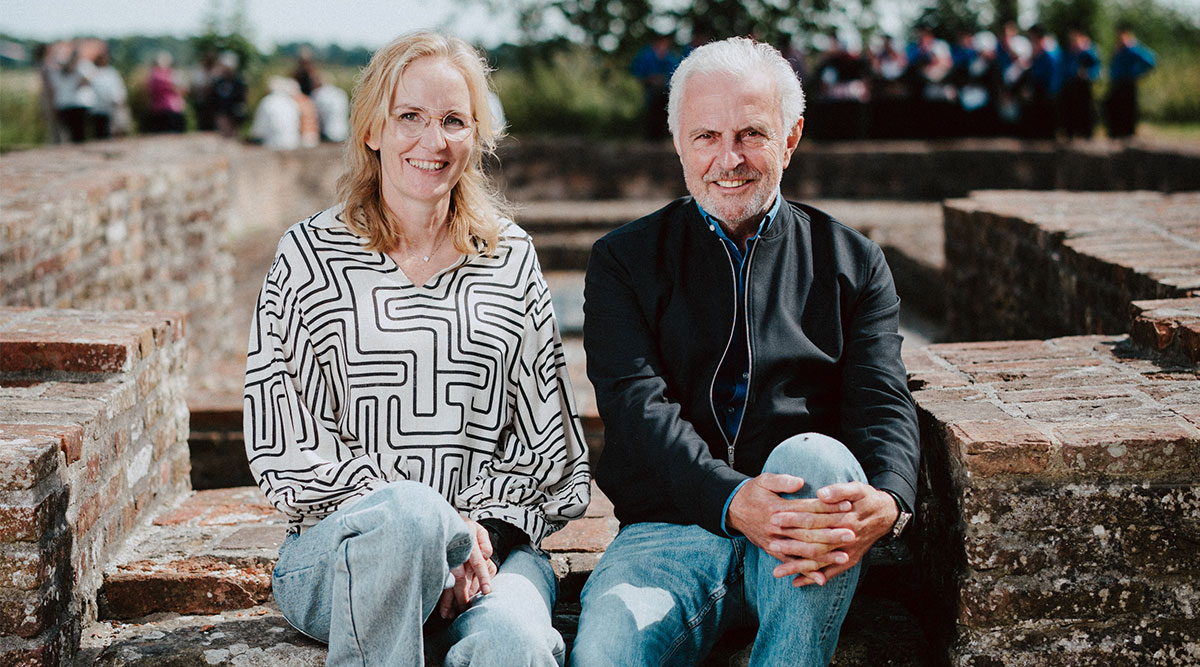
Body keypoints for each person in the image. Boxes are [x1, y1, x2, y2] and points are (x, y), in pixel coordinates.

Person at [243, 31, 590, 667]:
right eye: (411, 117)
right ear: (373, 128)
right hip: (343, 556)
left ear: (476, 136)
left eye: (454, 121)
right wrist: (435, 535)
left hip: (494, 556)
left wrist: (472, 540)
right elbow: (284, 447)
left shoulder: (510, 259)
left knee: (512, 642)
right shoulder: (307, 258)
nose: (433, 142)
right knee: (406, 518)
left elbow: (553, 450)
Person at [573, 37, 919, 666]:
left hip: (796, 535)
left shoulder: (853, 263)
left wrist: (892, 498)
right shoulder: (623, 260)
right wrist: (732, 500)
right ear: (678, 140)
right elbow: (635, 405)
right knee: (602, 652)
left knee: (815, 455)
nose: (728, 160)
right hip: (666, 534)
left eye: (751, 134)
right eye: (706, 136)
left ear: (790, 138)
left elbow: (882, 398)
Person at [1104, 23, 1156, 139]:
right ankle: (1116, 133)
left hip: (1127, 83)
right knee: (1113, 107)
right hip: (1117, 83)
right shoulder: (1119, 49)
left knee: (1127, 109)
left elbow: (1150, 60)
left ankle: (1128, 134)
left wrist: (1137, 73)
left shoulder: (1132, 48)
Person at [1058, 28, 1100, 139]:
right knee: (1070, 110)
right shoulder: (1068, 53)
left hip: (1083, 85)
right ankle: (1070, 133)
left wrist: (1088, 74)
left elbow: (1096, 68)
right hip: (1070, 85)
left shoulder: (1088, 52)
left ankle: (1086, 134)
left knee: (1085, 110)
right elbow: (1063, 69)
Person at [249, 77, 302, 150]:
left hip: (273, 143)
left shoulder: (267, 102)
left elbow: (259, 129)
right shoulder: (291, 102)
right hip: (293, 142)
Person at [144, 51, 185, 133]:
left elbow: (148, 91)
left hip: (159, 110)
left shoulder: (151, 75)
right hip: (170, 110)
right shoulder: (171, 74)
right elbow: (180, 89)